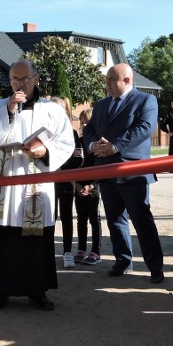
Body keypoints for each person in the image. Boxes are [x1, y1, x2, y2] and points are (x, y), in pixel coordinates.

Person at [0, 59, 74, 310]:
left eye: (24, 79)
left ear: (36, 78)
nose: (19, 84)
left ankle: (37, 290)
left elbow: (66, 142)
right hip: (6, 184)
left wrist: (45, 150)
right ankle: (0, 290)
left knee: (35, 238)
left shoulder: (52, 109)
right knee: (3, 236)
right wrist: (9, 108)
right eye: (14, 80)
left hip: (36, 183)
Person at [82, 63, 165, 283]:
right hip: (107, 171)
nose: (107, 84)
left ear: (126, 80)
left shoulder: (146, 100)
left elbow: (144, 128)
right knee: (115, 219)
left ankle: (155, 267)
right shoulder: (100, 105)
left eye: (111, 79)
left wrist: (115, 146)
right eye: (107, 79)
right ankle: (123, 260)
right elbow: (89, 130)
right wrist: (93, 147)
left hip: (133, 172)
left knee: (142, 220)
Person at [49, 96, 83, 269]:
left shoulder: (72, 133)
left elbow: (78, 158)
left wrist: (61, 169)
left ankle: (67, 251)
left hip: (66, 179)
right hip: (48, 181)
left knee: (67, 215)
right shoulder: (44, 131)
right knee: (49, 216)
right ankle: (47, 251)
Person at [73, 108, 102, 266]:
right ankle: (81, 248)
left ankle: (96, 251)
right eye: (82, 122)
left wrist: (91, 185)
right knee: (81, 218)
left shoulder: (98, 143)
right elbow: (75, 163)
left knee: (94, 219)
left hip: (93, 186)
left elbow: (100, 165)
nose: (83, 124)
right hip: (79, 185)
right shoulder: (79, 141)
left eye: (86, 122)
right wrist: (77, 184)